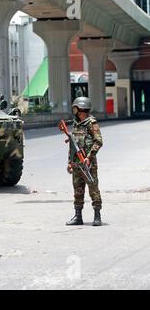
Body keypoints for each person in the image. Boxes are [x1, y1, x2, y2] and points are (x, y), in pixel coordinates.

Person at [66, 97, 104, 227]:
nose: (74, 110)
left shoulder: (91, 123)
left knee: (93, 189)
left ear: (81, 109)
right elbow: (72, 146)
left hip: (89, 164)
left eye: (75, 107)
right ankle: (78, 216)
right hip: (76, 164)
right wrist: (70, 162)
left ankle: (97, 216)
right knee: (78, 190)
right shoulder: (76, 124)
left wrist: (89, 157)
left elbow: (98, 141)